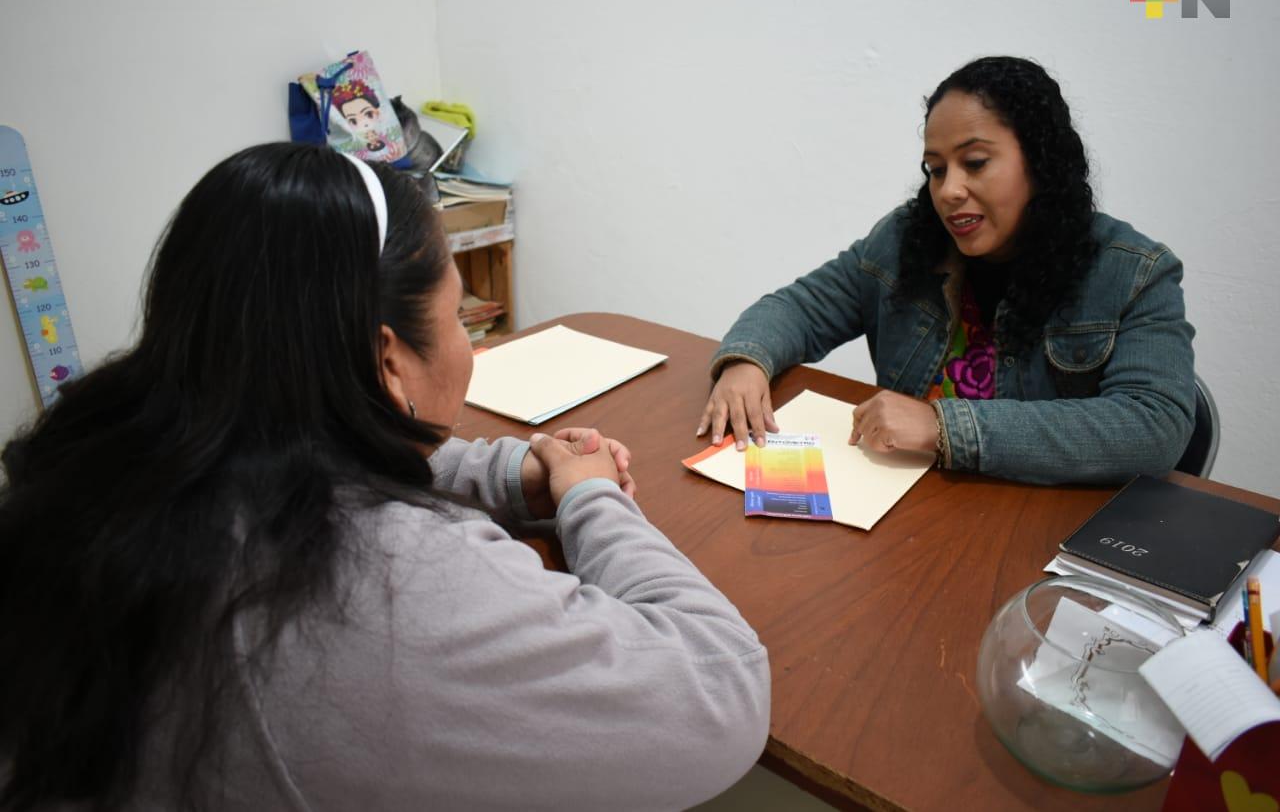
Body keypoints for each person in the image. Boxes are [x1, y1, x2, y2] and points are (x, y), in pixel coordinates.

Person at [0, 144, 769, 810]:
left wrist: (511, 474)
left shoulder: (107, 457)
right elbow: (720, 687)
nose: (469, 338)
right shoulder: (392, 584)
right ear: (388, 358)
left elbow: (307, 453)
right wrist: (591, 498)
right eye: (460, 312)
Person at [697, 56, 1196, 486]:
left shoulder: (1134, 273)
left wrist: (943, 427)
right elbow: (799, 309)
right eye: (936, 169)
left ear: (1042, 164)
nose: (949, 189)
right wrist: (747, 361)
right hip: (911, 516)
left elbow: (1155, 428)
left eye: (975, 162)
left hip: (1039, 534)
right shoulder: (905, 240)